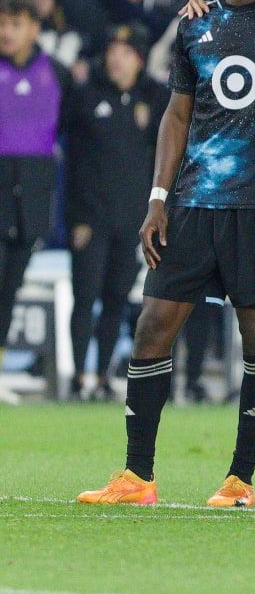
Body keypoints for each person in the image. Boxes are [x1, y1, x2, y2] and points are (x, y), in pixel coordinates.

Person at [77, 0, 255, 508]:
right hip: (192, 205)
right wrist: (158, 198)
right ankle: (137, 476)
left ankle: (240, 478)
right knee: (152, 327)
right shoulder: (196, 20)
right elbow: (177, 115)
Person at [65, 23, 168, 400]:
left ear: (139, 60)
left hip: (131, 222)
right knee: (84, 297)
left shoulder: (155, 99)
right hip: (90, 222)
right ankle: (79, 376)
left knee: (116, 300)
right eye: (112, 51)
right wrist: (75, 218)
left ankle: (105, 376)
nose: (115, 59)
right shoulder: (85, 95)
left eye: (124, 52)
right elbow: (72, 164)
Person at [0, 0, 70, 403]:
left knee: (10, 290)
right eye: (3, 23)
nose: (6, 32)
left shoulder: (56, 74)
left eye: (15, 23)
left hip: (32, 203)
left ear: (34, 28)